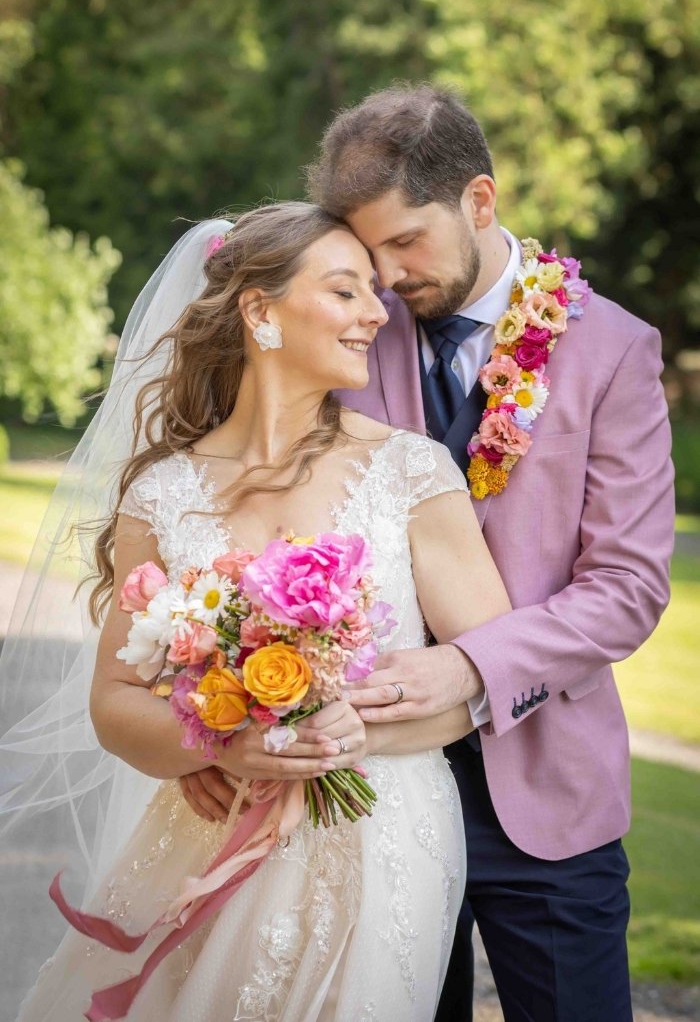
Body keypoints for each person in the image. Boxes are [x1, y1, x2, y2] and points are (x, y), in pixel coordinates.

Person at [184, 85, 676, 1022]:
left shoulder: (613, 350)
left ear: (479, 201)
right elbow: (242, 517)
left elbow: (628, 588)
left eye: (407, 242)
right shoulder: (345, 330)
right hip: (362, 799)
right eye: (367, 255)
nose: (387, 277)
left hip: (546, 798)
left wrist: (468, 666)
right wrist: (210, 716)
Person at [7, 201, 513, 1021]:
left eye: (374, 295)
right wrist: (216, 740)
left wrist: (366, 731)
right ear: (259, 310)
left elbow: (489, 677)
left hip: (384, 839)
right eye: (347, 292)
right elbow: (114, 702)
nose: (376, 314)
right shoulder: (163, 494)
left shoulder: (412, 473)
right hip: (204, 833)